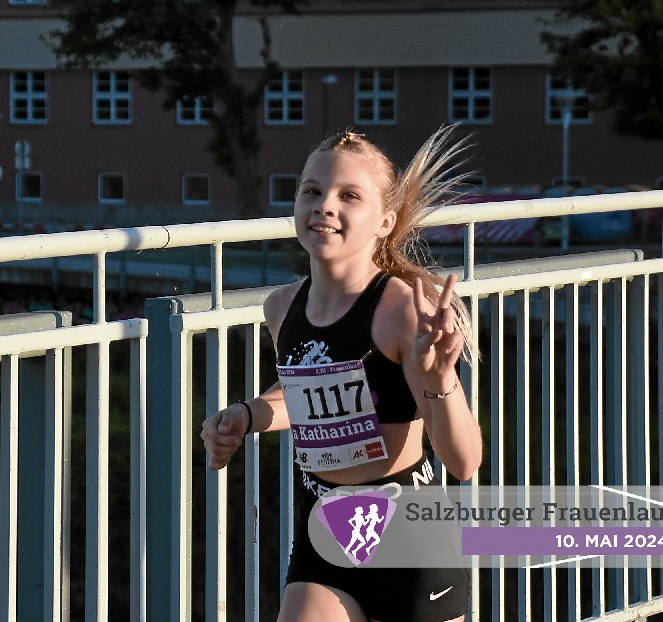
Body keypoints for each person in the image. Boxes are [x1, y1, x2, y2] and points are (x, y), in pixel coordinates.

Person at [201, 127, 483, 622]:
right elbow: (305, 390)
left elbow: (463, 462)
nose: (324, 206)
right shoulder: (281, 307)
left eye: (349, 196)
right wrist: (247, 415)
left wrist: (440, 379)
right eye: (312, 191)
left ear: (385, 221)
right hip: (325, 533)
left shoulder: (401, 311)